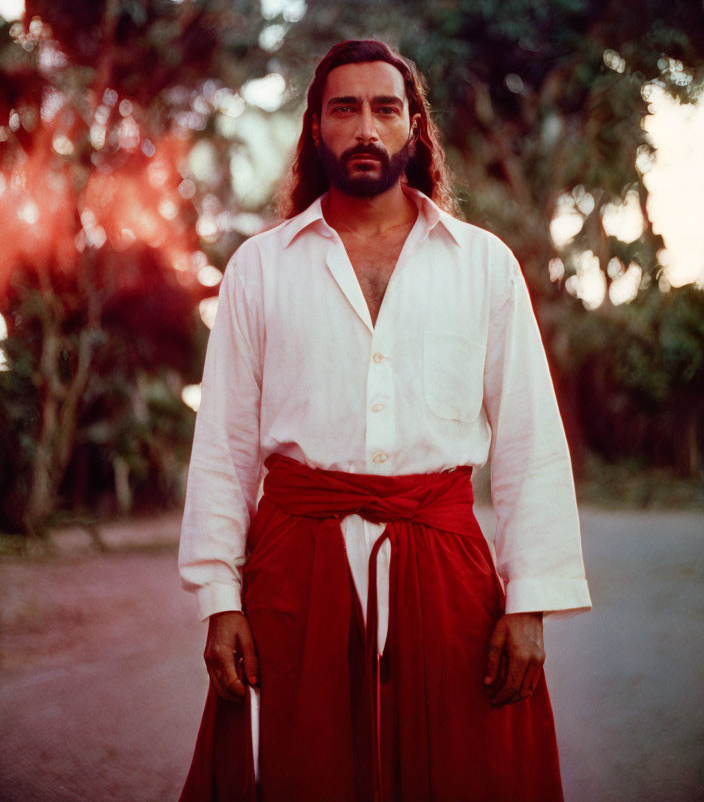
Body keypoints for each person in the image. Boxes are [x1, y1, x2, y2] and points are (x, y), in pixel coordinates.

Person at [178, 39, 591, 802]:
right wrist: (219, 599)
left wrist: (528, 602)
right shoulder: (260, 267)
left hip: (445, 561)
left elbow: (531, 441)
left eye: (385, 108)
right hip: (295, 566)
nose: (366, 127)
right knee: (306, 776)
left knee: (468, 773)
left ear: (414, 128)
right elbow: (225, 448)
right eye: (345, 109)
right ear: (316, 129)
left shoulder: (483, 264)